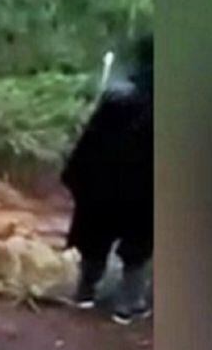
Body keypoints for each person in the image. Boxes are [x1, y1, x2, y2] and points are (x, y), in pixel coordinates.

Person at [61, 34, 153, 325]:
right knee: (138, 243)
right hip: (145, 188)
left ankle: (84, 292)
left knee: (95, 235)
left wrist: (78, 178)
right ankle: (129, 303)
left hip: (104, 183)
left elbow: (89, 142)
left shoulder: (117, 94)